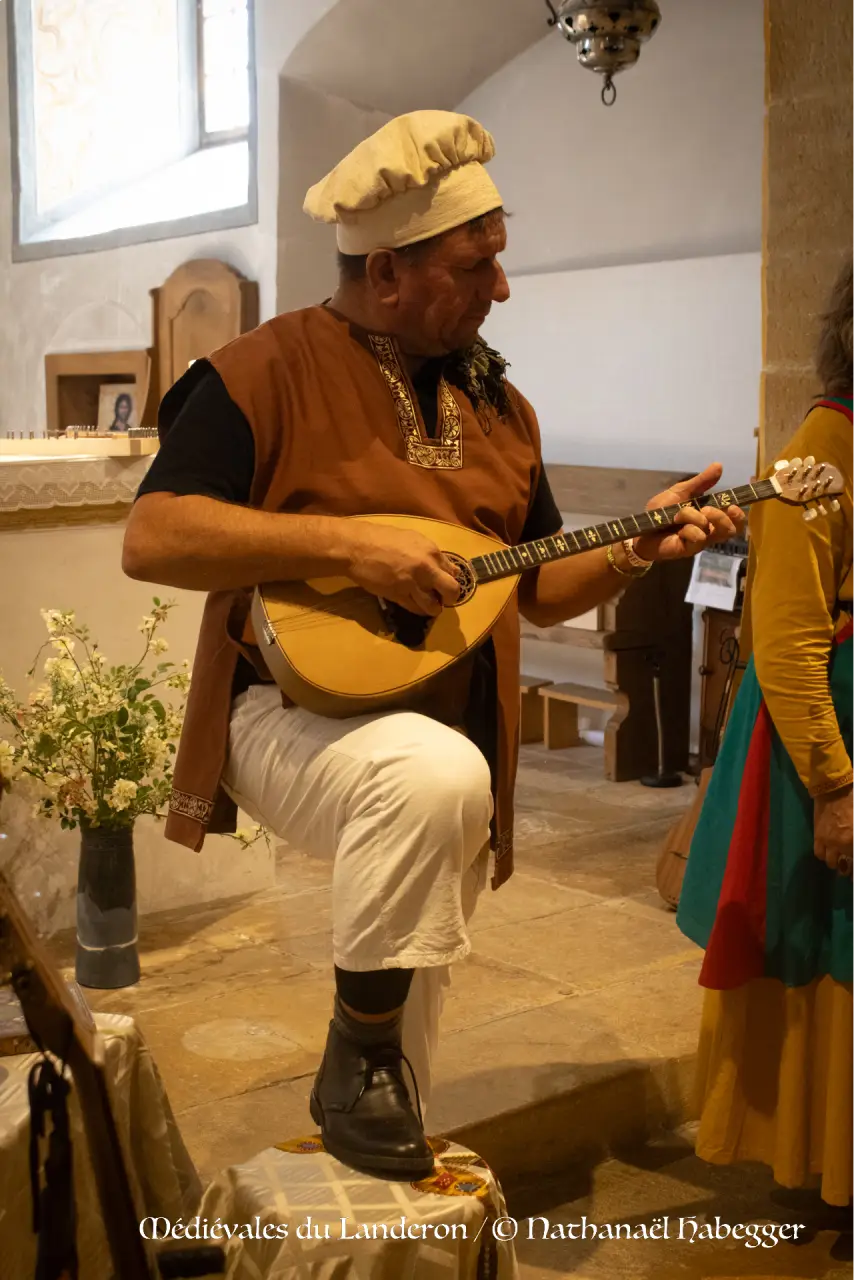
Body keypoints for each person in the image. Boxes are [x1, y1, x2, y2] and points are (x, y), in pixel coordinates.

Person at [122, 110, 742, 1182]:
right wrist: (348, 547)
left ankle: (380, 1160)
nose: (501, 287)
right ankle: (356, 1068)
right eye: (474, 263)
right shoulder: (256, 373)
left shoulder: (499, 407)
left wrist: (633, 548)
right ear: (387, 271)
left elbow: (535, 589)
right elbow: (153, 536)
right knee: (432, 779)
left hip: (442, 720)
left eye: (499, 256)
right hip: (285, 712)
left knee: (420, 943)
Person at [677, 256, 854, 1210]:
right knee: (832, 948)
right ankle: (830, 1161)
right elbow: (786, 641)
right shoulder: (821, 453)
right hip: (830, 743)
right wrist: (835, 785)